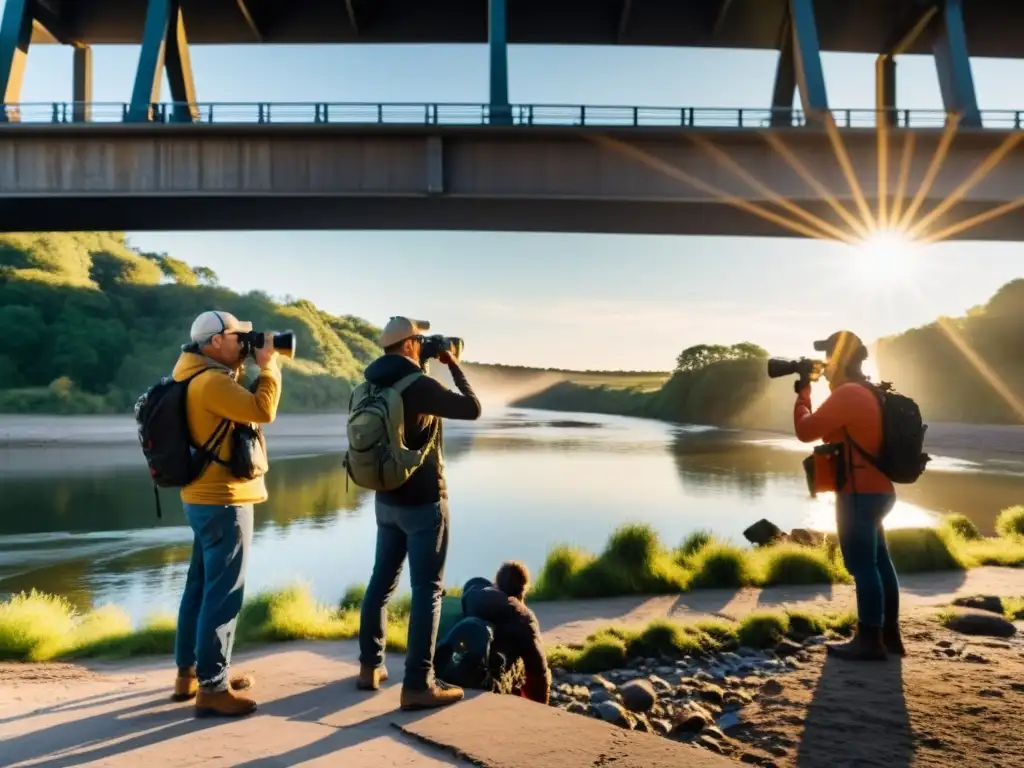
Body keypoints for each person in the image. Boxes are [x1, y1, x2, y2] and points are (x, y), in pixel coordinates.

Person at [356, 316, 482, 710]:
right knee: (427, 591)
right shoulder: (420, 385)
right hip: (425, 502)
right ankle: (417, 685)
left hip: (385, 500)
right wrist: (453, 364)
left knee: (381, 583)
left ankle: (369, 667)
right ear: (410, 344)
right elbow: (473, 408)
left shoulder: (371, 383)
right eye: (421, 340)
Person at [171, 310, 283, 716]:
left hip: (201, 497)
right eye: (239, 337)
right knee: (223, 594)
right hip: (224, 499)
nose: (245, 343)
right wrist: (269, 369)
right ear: (215, 341)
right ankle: (214, 688)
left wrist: (245, 363)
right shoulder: (212, 383)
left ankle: (191, 673)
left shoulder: (191, 374)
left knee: (199, 588)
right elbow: (262, 410)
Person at [793, 330, 901, 661]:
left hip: (858, 493)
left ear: (840, 360)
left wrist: (803, 395)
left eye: (828, 358)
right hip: (880, 491)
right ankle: (888, 635)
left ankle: (869, 640)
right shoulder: (869, 392)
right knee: (880, 561)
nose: (824, 366)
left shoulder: (849, 394)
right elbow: (836, 432)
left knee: (861, 565)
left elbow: (806, 431)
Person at [461, 561, 551, 704]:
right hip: (491, 685)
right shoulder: (524, 617)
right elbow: (538, 671)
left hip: (459, 670)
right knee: (525, 661)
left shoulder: (472, 596)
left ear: (495, 582)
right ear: (525, 589)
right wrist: (541, 707)